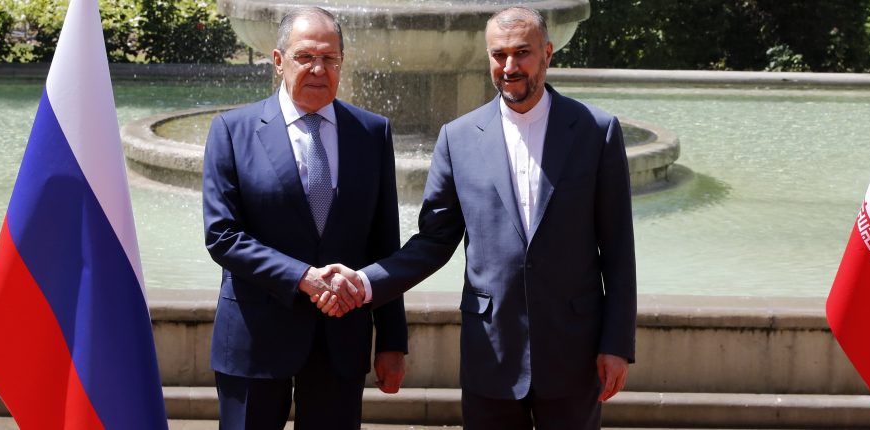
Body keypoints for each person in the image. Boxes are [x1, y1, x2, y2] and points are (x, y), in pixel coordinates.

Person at [321, 6, 636, 429]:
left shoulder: (597, 131)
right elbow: (433, 242)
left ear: (547, 53)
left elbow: (618, 250)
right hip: (490, 352)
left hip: (574, 352)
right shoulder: (458, 137)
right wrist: (364, 282)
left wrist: (616, 343)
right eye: (498, 54)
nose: (509, 66)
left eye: (521, 53)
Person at [202, 7, 407, 429]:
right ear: (279, 61)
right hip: (255, 339)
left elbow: (384, 242)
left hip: (340, 340)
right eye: (305, 57)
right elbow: (222, 235)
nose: (318, 69)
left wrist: (392, 341)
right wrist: (303, 278)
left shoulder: (372, 133)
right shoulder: (232, 131)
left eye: (330, 58)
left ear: (342, 63)